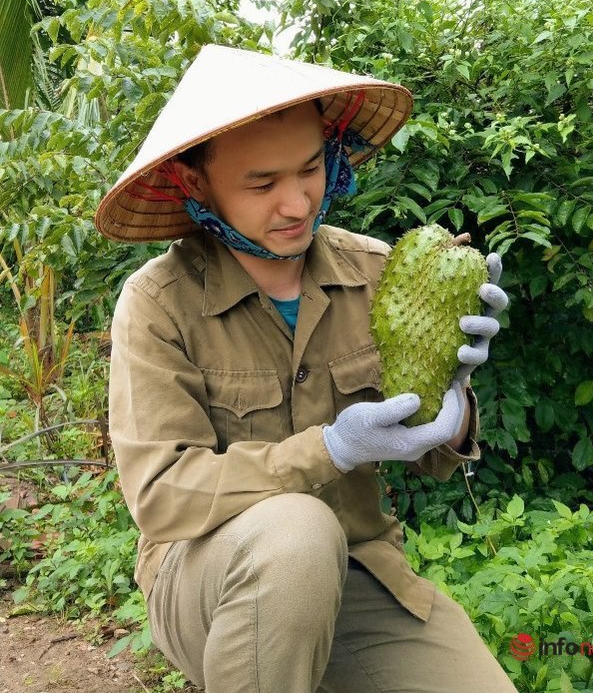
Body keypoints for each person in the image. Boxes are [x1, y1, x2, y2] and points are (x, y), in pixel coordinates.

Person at [96, 45, 515, 693]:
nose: (296, 203)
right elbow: (163, 495)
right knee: (296, 535)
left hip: (358, 569)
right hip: (211, 575)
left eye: (310, 168)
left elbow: (429, 449)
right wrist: (331, 447)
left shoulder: (376, 269)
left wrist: (452, 408)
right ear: (193, 183)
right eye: (262, 184)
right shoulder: (158, 305)